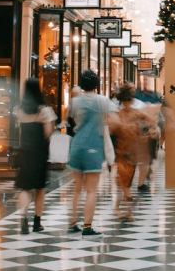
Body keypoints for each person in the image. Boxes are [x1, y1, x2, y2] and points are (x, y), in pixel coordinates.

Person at [68, 70, 115, 236]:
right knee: (91, 190)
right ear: (96, 85)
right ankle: (87, 226)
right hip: (94, 146)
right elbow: (112, 121)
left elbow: (74, 121)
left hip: (76, 145)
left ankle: (72, 223)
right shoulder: (103, 101)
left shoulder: (74, 102)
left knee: (77, 189)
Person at [110, 83, 160, 220]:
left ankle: (120, 208)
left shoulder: (118, 113)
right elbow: (151, 120)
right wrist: (149, 130)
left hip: (123, 151)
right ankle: (128, 211)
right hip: (127, 151)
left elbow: (110, 128)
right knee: (125, 181)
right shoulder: (134, 112)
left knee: (124, 181)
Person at [15, 78, 57, 234]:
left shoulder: (18, 110)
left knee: (25, 187)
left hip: (24, 152)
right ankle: (37, 222)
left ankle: (23, 217)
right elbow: (48, 132)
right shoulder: (45, 110)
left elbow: (19, 128)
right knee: (40, 188)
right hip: (39, 152)